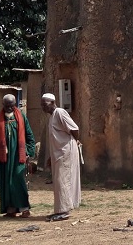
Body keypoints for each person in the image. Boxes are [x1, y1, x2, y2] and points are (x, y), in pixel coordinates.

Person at [0, 94, 36, 218]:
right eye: (7, 106)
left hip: (18, 157)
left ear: (15, 104)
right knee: (5, 183)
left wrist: (29, 153)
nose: (9, 108)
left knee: (18, 182)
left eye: (12, 106)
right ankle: (11, 209)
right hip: (3, 158)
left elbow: (30, 137)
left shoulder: (21, 117)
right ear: (3, 105)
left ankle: (24, 209)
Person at [41, 93, 81, 222]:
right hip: (59, 153)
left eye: (45, 104)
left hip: (65, 152)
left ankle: (64, 211)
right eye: (41, 104)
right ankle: (60, 210)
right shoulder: (52, 116)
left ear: (52, 102)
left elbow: (74, 129)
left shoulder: (59, 112)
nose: (43, 107)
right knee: (59, 182)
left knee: (63, 180)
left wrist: (76, 142)